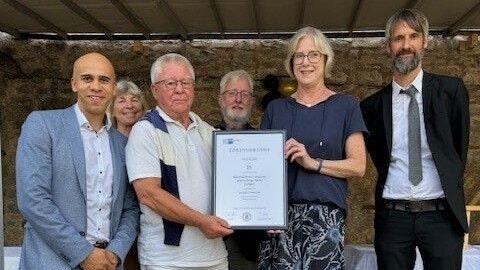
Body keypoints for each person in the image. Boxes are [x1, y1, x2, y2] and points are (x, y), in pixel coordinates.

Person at [360, 9, 470, 270]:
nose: (406, 45)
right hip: (392, 218)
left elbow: (457, 153)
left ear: (425, 41)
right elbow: (379, 158)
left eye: (413, 36)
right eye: (398, 38)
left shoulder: (451, 92)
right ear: (388, 46)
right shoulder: (372, 107)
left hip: (441, 216)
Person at [16, 52, 139, 270]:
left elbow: (130, 208)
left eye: (104, 80)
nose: (96, 86)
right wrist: (83, 253)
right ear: (74, 84)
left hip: (107, 264)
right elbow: (32, 200)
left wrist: (116, 252)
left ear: (112, 88)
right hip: (52, 262)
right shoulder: (43, 125)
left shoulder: (122, 143)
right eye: (87, 78)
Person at [259, 26, 367, 269]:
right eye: (299, 55)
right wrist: (265, 212)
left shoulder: (346, 106)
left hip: (325, 221)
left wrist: (313, 163)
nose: (305, 62)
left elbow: (358, 166)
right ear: (291, 62)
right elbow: (261, 170)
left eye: (313, 55)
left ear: (326, 60)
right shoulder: (276, 109)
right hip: (280, 220)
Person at [125, 53, 233, 270]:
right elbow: (149, 195)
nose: (179, 89)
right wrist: (202, 221)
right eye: (170, 83)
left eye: (185, 82)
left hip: (214, 255)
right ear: (155, 91)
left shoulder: (210, 132)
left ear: (193, 88)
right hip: (166, 260)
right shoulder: (145, 131)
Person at [216, 69, 264, 269]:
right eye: (232, 93)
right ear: (221, 99)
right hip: (207, 239)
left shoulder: (264, 143)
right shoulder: (203, 137)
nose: (238, 99)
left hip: (248, 243)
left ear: (251, 101)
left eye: (244, 94)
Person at [109, 79, 147, 270]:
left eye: (134, 100)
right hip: (116, 227)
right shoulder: (104, 142)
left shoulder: (151, 141)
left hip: (148, 222)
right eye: (122, 100)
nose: (129, 105)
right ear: (112, 109)